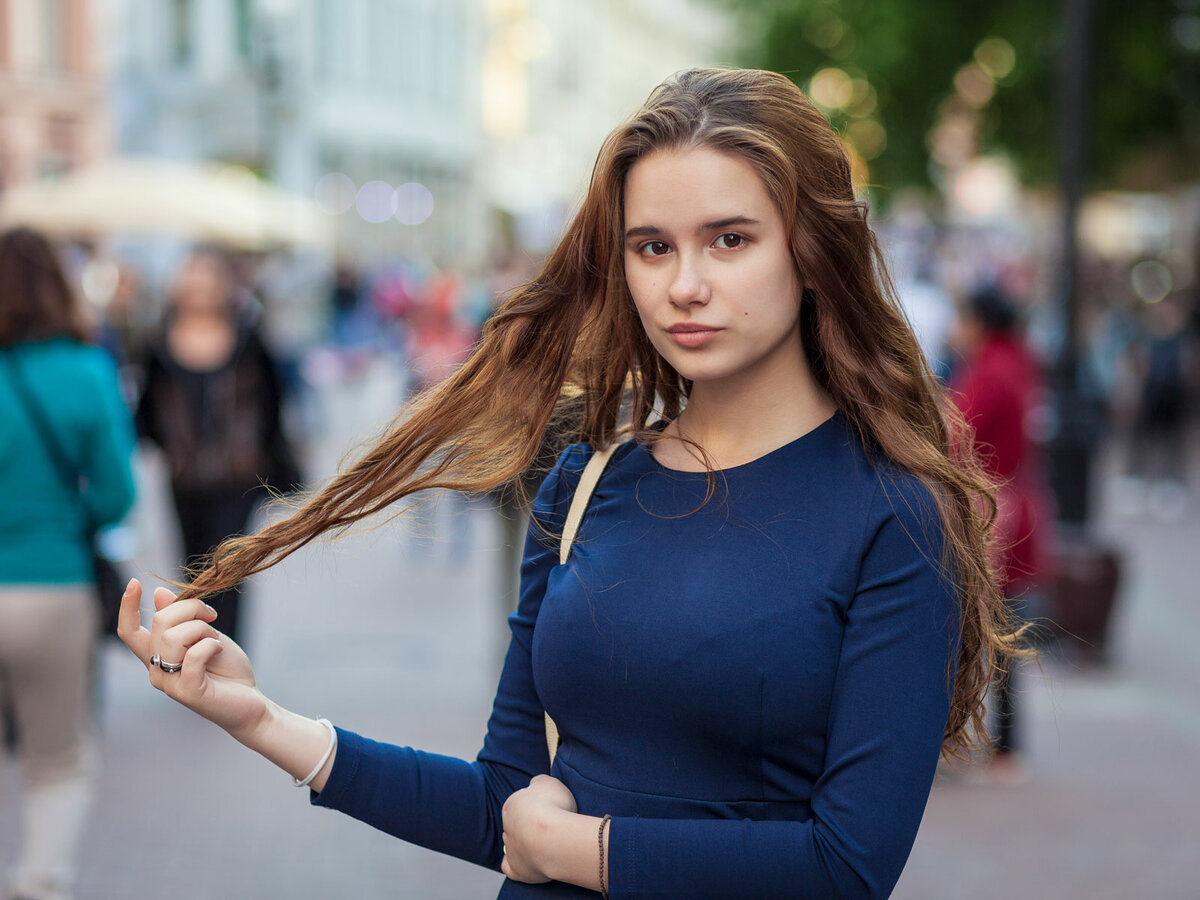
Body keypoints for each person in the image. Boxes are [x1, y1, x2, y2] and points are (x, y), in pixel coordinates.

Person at [118, 68, 1020, 898]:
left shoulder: (894, 513)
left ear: (812, 249)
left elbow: (845, 867)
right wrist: (259, 718)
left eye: (730, 239)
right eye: (652, 247)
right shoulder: (589, 482)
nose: (685, 285)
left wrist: (576, 851)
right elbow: (501, 804)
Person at [0, 227, 136, 900]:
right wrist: (67, 518)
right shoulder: (85, 372)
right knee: (56, 757)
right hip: (52, 586)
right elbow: (118, 495)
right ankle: (37, 882)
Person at [134, 250, 300, 646]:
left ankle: (228, 649)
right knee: (192, 567)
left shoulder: (248, 338)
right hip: (185, 477)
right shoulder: (159, 343)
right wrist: (169, 447)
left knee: (230, 567)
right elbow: (147, 410)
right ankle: (197, 646)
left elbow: (274, 400)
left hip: (237, 476)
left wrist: (264, 453)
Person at [948, 284, 1054, 784]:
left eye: (962, 318)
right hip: (1015, 507)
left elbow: (952, 436)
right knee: (1006, 630)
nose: (955, 328)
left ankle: (977, 742)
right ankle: (1007, 746)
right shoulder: (1018, 363)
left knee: (976, 629)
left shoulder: (989, 371)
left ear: (980, 323)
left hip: (992, 515)